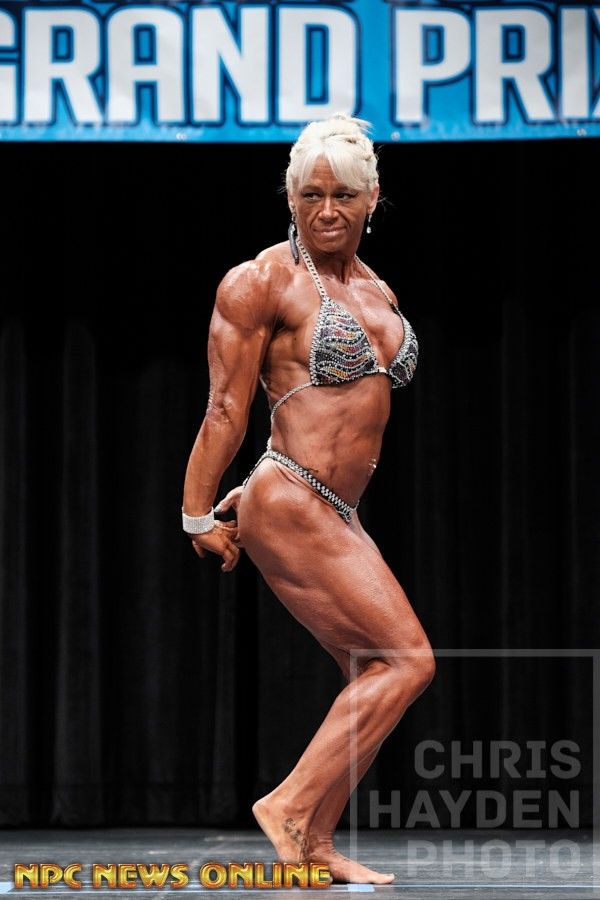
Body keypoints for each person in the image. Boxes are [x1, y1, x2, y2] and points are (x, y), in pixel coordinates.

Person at [181, 113, 435, 885]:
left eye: (344, 196)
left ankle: (315, 841)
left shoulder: (376, 288)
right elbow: (226, 407)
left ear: (372, 198)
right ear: (289, 197)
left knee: (375, 671)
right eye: (310, 195)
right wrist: (196, 514)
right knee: (406, 661)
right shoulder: (261, 281)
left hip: (331, 507)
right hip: (292, 498)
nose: (327, 210)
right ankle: (290, 805)